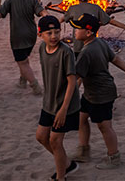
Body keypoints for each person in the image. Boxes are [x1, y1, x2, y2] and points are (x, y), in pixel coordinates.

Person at [70, 14, 125, 169]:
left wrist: (66, 97)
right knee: (82, 118)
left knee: (104, 126)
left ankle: (113, 157)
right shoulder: (99, 42)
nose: (74, 30)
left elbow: (77, 78)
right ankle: (84, 150)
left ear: (88, 33)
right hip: (91, 93)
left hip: (101, 95)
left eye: (78, 28)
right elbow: (115, 59)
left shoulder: (86, 52)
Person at [34, 15, 81, 181]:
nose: (54, 36)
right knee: (41, 137)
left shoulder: (66, 52)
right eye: (49, 33)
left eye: (56, 32)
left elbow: (72, 82)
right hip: (49, 103)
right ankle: (67, 164)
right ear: (40, 34)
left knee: (55, 141)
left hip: (66, 105)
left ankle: (61, 177)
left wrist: (63, 110)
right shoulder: (41, 48)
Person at [0, 0, 47, 95]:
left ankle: (35, 86)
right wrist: (47, 22)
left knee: (22, 62)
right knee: (24, 59)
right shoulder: (33, 1)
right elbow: (43, 13)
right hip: (31, 36)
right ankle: (22, 81)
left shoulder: (11, 0)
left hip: (17, 36)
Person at [61, 0, 125, 58]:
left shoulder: (72, 9)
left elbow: (61, 20)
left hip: (78, 49)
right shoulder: (96, 8)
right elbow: (112, 22)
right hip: (93, 47)